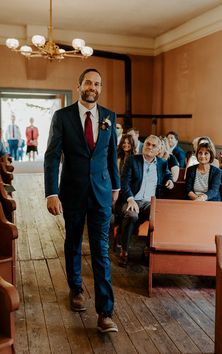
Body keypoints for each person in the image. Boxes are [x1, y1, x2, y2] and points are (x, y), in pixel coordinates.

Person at [44, 68, 120, 333]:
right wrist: (51, 192)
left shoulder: (109, 116)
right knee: (73, 240)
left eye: (97, 83)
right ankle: (76, 288)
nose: (93, 87)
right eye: (88, 82)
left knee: (101, 249)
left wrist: (116, 187)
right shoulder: (62, 117)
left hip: (101, 191)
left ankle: (105, 312)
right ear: (79, 86)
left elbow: (111, 156)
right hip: (72, 191)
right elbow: (52, 156)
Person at [118, 135, 174, 267]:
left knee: (157, 216)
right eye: (148, 144)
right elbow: (124, 183)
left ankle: (148, 249)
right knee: (131, 215)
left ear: (159, 149)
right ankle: (124, 251)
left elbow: (167, 174)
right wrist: (130, 200)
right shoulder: (132, 160)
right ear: (144, 145)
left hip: (150, 202)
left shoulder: (162, 163)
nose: (150, 147)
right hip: (133, 199)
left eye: (154, 146)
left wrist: (170, 180)